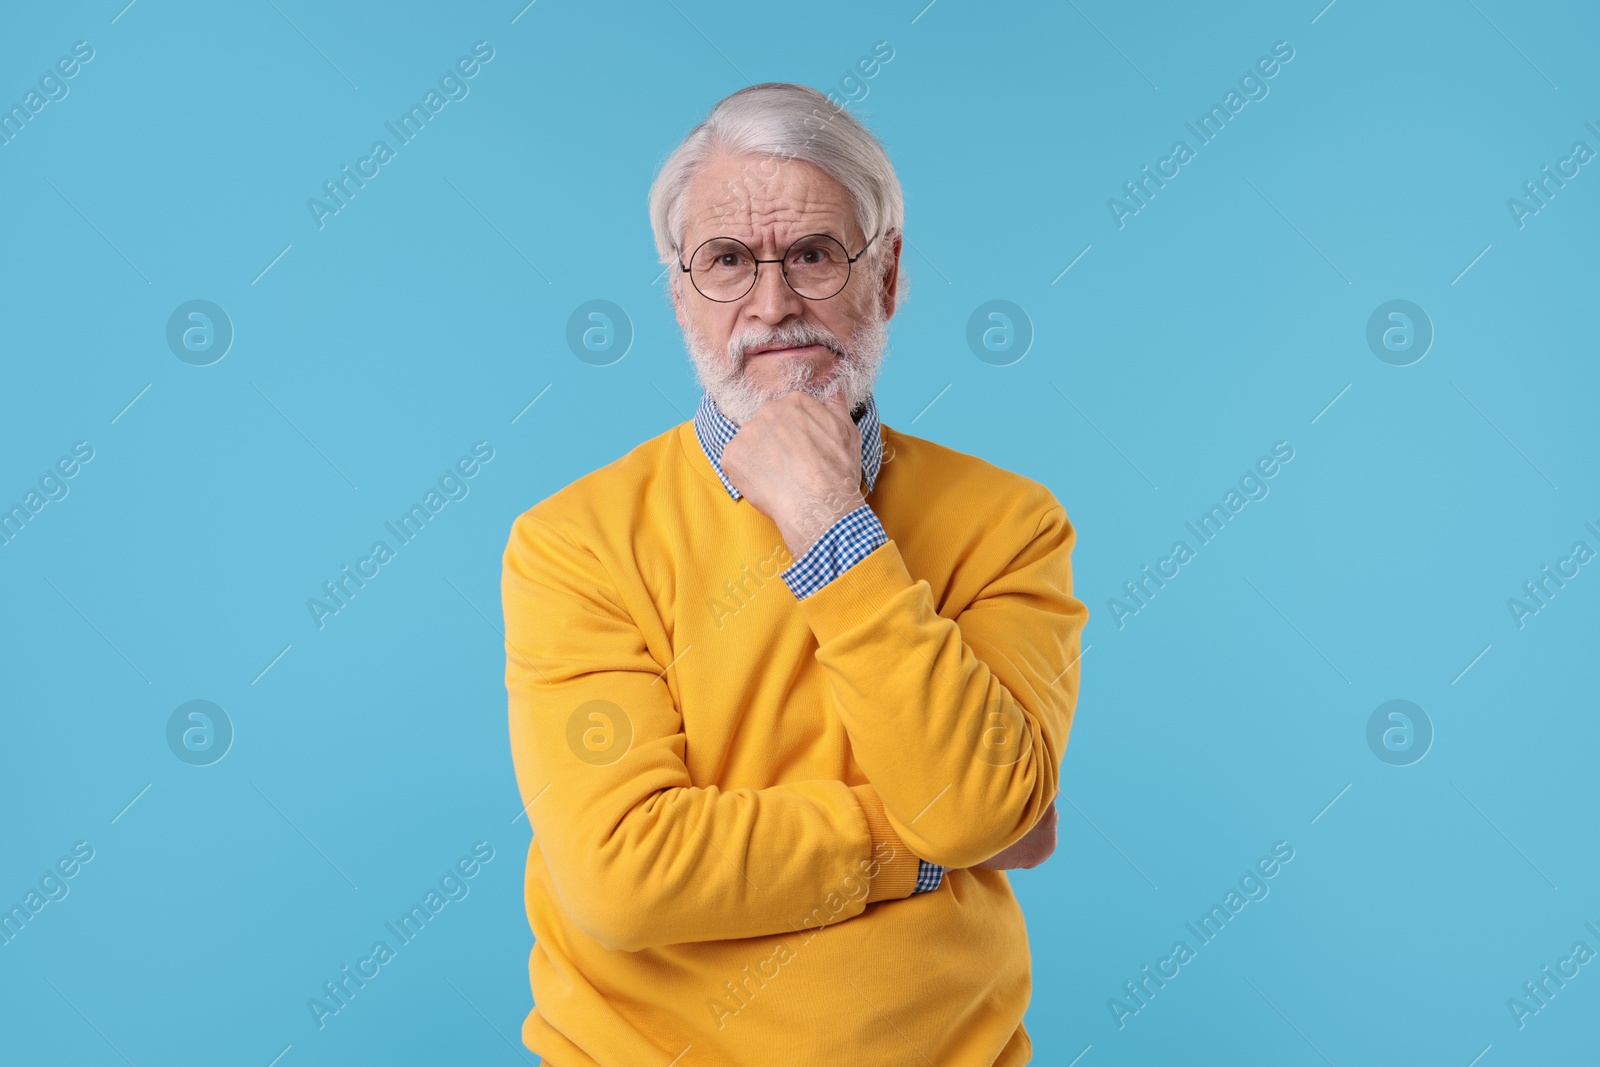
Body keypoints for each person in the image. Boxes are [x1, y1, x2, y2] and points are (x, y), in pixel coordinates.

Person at [502, 81, 1087, 1066]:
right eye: (727, 261)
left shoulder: (1009, 523)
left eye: (812, 254)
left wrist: (829, 523)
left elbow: (986, 811)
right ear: (679, 290)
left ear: (887, 275)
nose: (771, 305)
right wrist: (921, 844)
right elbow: (622, 875)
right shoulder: (575, 540)